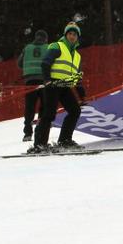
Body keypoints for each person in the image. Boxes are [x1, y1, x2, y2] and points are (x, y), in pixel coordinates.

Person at [30, 22, 86, 153]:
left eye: (75, 34)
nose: (72, 36)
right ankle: (39, 144)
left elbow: (76, 77)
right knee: (49, 114)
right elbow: (45, 63)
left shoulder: (77, 55)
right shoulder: (58, 46)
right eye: (70, 34)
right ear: (66, 35)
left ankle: (65, 141)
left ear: (78, 37)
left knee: (75, 111)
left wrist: (81, 94)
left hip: (65, 86)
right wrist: (47, 80)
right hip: (53, 84)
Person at [17, 29, 49, 141]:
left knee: (30, 107)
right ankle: (40, 129)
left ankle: (27, 133)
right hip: (43, 81)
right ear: (45, 39)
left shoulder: (27, 48)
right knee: (44, 106)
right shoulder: (48, 48)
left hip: (29, 81)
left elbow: (19, 63)